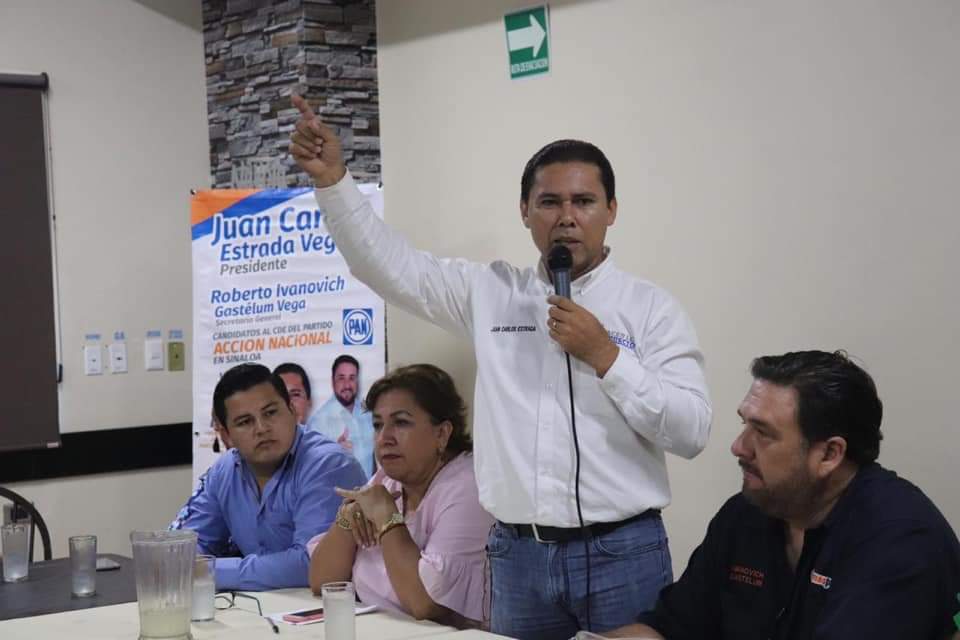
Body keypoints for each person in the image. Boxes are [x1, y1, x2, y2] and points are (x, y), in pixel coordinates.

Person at [289, 95, 712, 637]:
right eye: (549, 202)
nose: (566, 217)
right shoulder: (492, 293)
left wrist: (607, 357)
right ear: (524, 211)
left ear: (611, 210)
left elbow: (691, 431)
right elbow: (390, 267)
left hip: (621, 551)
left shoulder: (651, 309)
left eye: (584, 201)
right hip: (517, 556)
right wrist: (333, 182)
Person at [607, 350, 960, 640]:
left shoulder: (900, 540)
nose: (738, 446)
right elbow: (668, 628)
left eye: (763, 433)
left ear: (829, 454)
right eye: (745, 423)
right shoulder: (747, 513)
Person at [307, 364, 494, 628]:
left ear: (442, 433)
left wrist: (387, 518)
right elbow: (322, 582)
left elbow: (424, 603)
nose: (384, 438)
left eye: (401, 423)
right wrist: (348, 518)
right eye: (377, 425)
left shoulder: (468, 486)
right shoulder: (387, 478)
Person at [171, 363, 366, 591]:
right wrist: (187, 563)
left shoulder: (328, 465)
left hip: (334, 606)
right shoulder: (224, 472)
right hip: (262, 606)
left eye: (271, 413)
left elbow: (310, 564)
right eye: (245, 422)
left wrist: (209, 571)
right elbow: (183, 548)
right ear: (226, 435)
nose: (262, 428)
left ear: (292, 411)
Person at [307, 354, 376, 477]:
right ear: (332, 382)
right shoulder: (318, 422)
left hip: (371, 487)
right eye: (341, 378)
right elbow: (311, 469)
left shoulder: (368, 412)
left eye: (352, 378)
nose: (347, 385)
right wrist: (334, 455)